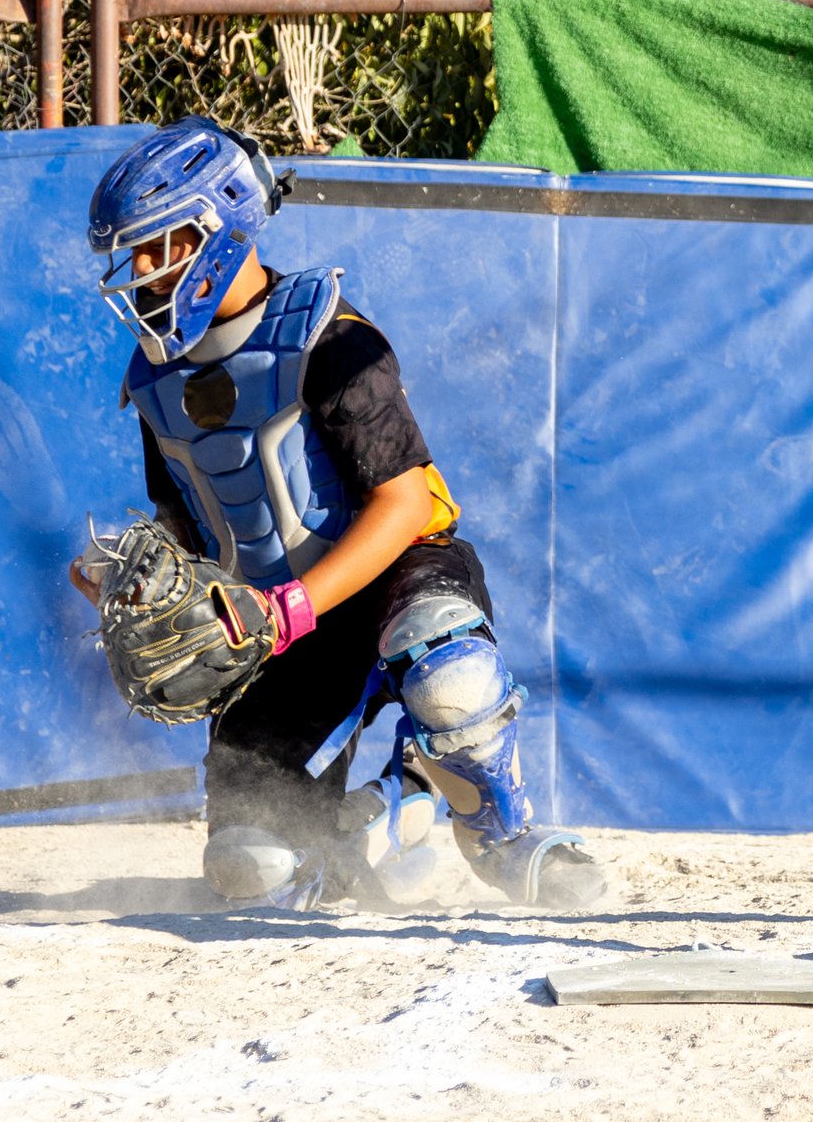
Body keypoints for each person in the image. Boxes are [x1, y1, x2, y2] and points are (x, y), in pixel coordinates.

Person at [70, 118, 607, 911]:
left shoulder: (329, 338)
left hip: (394, 572)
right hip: (279, 623)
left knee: (447, 669)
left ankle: (504, 834)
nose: (142, 272)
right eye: (133, 253)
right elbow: (194, 521)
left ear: (218, 228)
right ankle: (393, 810)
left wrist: (289, 609)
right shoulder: (154, 384)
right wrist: (141, 578)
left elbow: (407, 500)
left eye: (162, 245)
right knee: (250, 867)